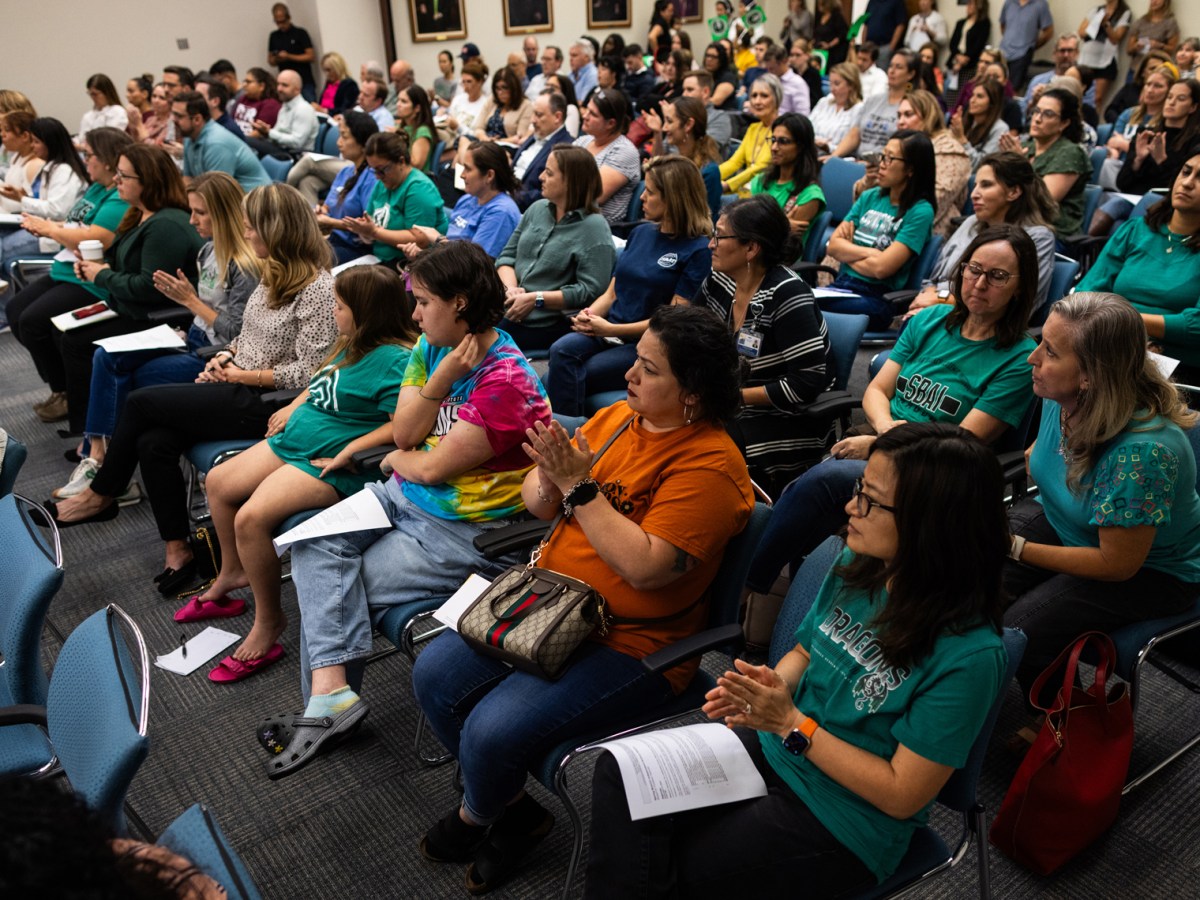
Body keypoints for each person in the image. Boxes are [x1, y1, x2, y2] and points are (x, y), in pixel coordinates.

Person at [413, 303, 755, 893]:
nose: (629, 376)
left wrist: (578, 484)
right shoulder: (621, 418)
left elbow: (645, 568)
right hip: (550, 601)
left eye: (648, 369)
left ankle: (482, 815)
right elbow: (540, 505)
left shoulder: (711, 468)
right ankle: (518, 809)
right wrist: (549, 474)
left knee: (492, 732)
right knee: (435, 674)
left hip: (630, 640)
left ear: (693, 393)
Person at [585, 421, 1008, 897]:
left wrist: (791, 724)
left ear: (929, 523)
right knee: (623, 777)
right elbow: (807, 650)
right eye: (857, 489)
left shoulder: (969, 653)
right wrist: (769, 687)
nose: (851, 507)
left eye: (868, 499)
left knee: (678, 859)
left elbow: (900, 793)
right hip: (780, 748)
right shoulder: (858, 565)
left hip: (846, 817)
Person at [263, 240, 552, 778]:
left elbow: (429, 465)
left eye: (422, 302)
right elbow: (405, 433)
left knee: (332, 587)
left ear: (460, 302)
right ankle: (330, 699)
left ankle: (325, 706)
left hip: (461, 529)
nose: (413, 314)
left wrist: (401, 457)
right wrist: (437, 386)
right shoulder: (434, 345)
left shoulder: (506, 382)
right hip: (401, 498)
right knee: (310, 545)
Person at [42, 183, 337, 592]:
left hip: (270, 403)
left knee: (140, 402)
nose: (247, 234)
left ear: (278, 229)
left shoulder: (319, 289)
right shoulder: (273, 272)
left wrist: (239, 375)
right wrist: (225, 358)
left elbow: (311, 373)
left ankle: (102, 493)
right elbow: (247, 337)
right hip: (239, 384)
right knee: (153, 442)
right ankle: (177, 549)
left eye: (253, 227)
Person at [746, 224, 1038, 595]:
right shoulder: (931, 322)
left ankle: (746, 586)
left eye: (997, 276)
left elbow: (964, 438)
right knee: (814, 494)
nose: (980, 284)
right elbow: (877, 390)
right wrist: (883, 431)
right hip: (881, 438)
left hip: (936, 467)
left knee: (824, 483)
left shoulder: (1017, 359)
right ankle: (785, 598)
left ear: (1020, 286)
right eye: (974, 269)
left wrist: (882, 444)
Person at [189, 266, 417, 681]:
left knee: (251, 519)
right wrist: (295, 406)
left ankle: (269, 623)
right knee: (218, 482)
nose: (333, 312)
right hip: (296, 440)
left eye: (340, 306)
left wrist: (354, 447)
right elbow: (319, 383)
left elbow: (401, 426)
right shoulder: (350, 342)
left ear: (367, 313)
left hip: (328, 460)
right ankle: (232, 572)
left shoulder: (395, 360)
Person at [1006, 293, 1200, 700]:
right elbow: (1046, 461)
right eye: (1041, 341)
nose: (1032, 358)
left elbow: (1117, 564)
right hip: (1072, 524)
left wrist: (1016, 548)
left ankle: (1065, 730)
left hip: (1151, 571)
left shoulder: (1144, 453)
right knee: (963, 580)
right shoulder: (1061, 396)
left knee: (1021, 632)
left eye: (1051, 352)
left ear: (1091, 375)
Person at [52, 171, 260, 498]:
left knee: (131, 382)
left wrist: (189, 300)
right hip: (192, 339)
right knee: (105, 355)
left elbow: (239, 332)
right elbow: (203, 314)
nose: (192, 220)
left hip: (217, 358)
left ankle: (106, 469)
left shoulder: (243, 265)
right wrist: (187, 313)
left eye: (200, 213)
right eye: (192, 211)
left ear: (224, 213)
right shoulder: (208, 252)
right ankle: (96, 455)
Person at [8, 145, 203, 436]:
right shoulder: (140, 214)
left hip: (156, 315)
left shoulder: (165, 225)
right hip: (130, 304)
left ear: (147, 181)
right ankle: (87, 429)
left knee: (75, 341)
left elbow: (148, 286)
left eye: (124, 176)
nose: (116, 182)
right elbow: (126, 265)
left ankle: (93, 435)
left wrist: (101, 275)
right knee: (62, 332)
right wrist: (94, 267)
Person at [546, 156, 713, 415]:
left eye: (651, 192)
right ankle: (562, 434)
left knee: (576, 373)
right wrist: (589, 315)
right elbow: (612, 293)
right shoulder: (641, 233)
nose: (642, 197)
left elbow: (672, 321)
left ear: (674, 198)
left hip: (646, 344)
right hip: (608, 330)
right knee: (560, 350)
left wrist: (610, 328)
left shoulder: (698, 250)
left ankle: (572, 439)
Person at [696, 195, 835, 494]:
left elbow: (806, 383)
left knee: (699, 443)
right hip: (730, 400)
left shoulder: (787, 296)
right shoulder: (721, 280)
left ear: (751, 247)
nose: (711, 244)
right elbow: (689, 335)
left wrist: (732, 396)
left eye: (720, 236)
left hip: (786, 417)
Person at [3, 127, 128, 413]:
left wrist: (49, 228)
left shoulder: (119, 197)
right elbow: (73, 225)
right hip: (66, 267)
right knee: (16, 311)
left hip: (88, 279)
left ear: (108, 160)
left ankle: (67, 392)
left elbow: (95, 237)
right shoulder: (98, 188)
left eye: (90, 155)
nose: (86, 161)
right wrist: (50, 228)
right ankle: (59, 385)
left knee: (33, 321)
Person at [1077, 149, 1200, 382]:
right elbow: (1088, 290)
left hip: (1176, 369)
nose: (1188, 183)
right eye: (1185, 172)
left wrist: (1122, 320)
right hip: (1110, 346)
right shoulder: (1135, 230)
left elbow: (1196, 327)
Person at [907, 150, 1058, 318]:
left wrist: (940, 301)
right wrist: (924, 301)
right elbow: (934, 279)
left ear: (1013, 192)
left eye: (986, 185)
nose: (974, 194)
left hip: (981, 326)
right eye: (975, 185)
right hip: (932, 310)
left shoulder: (1038, 238)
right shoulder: (971, 223)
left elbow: (1018, 305)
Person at [496, 144, 615, 351]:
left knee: (474, 337)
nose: (541, 177)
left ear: (571, 182)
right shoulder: (537, 209)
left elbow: (591, 290)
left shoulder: (593, 227)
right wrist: (511, 290)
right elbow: (506, 257)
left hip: (547, 323)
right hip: (507, 306)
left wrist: (537, 299)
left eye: (549, 173)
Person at [821, 130, 937, 330]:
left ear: (911, 169)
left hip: (877, 298)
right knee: (796, 299)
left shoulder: (920, 211)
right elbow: (833, 247)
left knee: (804, 305)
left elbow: (882, 269)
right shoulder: (871, 196)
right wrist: (872, 254)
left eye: (890, 159)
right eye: (882, 156)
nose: (881, 164)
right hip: (842, 287)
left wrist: (849, 253)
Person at [339, 132, 448, 268]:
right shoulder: (383, 184)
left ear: (401, 161)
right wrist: (365, 232)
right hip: (376, 257)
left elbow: (420, 240)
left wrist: (374, 232)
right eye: (373, 170)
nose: (378, 176)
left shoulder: (419, 189)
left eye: (382, 170)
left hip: (408, 265)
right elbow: (372, 222)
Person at [0, 117, 89, 279]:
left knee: (3, 249)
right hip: (43, 228)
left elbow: (57, 210)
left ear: (51, 143)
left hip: (54, 236)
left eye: (36, 142)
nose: (32, 147)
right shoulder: (51, 167)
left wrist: (22, 200)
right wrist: (21, 197)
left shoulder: (64, 171)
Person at [401, 141, 522, 259]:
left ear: (489, 175)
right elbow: (451, 249)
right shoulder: (467, 199)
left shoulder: (501, 213)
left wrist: (438, 239)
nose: (461, 175)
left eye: (468, 169)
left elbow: (476, 264)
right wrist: (422, 255)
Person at [1007, 87, 1092, 235]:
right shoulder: (1026, 146)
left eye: (1048, 114)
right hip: (1014, 223)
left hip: (1050, 231)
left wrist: (1018, 164)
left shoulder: (1070, 153)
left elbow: (1042, 202)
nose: (1037, 119)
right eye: (1036, 111)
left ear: (1064, 123)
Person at [896, 89, 972, 236]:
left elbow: (936, 200)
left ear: (928, 116)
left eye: (908, 115)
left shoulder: (951, 151)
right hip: (890, 221)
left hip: (928, 231)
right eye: (898, 115)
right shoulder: (899, 147)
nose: (900, 122)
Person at [174, 91, 272, 191]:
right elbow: (188, 178)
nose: (173, 119)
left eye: (179, 116)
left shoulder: (216, 143)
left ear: (197, 119)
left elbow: (216, 193)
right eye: (173, 114)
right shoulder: (189, 136)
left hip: (256, 201)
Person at [644, 97, 723, 218]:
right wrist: (657, 133)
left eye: (669, 121)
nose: (665, 128)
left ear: (688, 125)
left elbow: (701, 220)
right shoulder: (675, 160)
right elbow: (658, 175)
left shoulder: (708, 172)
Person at [750, 113, 826, 238]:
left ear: (801, 146)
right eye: (773, 140)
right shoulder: (760, 181)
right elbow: (746, 225)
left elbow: (781, 241)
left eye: (783, 142)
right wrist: (782, 225)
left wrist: (767, 226)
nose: (774, 147)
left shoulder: (810, 195)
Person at [835, 48, 918, 158]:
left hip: (886, 165)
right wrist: (833, 156)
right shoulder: (873, 100)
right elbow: (855, 134)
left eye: (899, 67)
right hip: (858, 160)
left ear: (911, 74)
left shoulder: (911, 105)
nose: (892, 71)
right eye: (891, 66)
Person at [573, 88, 641, 223]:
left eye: (593, 114)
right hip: (571, 218)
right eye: (587, 109)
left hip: (596, 229)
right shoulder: (583, 141)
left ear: (611, 123)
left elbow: (592, 196)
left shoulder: (624, 151)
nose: (585, 116)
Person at [719, 75, 781, 197]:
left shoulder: (781, 131)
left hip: (765, 194)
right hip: (742, 191)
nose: (757, 101)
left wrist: (728, 185)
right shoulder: (753, 128)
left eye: (764, 96)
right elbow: (734, 162)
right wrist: (710, 177)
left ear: (777, 99)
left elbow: (761, 167)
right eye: (754, 96)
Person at [245, 70, 318, 160]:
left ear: (297, 89)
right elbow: (278, 132)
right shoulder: (285, 105)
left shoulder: (303, 109)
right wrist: (265, 132)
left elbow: (297, 142)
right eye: (278, 84)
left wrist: (270, 133)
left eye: (285, 85)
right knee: (247, 142)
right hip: (281, 149)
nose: (279, 89)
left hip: (295, 156)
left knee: (247, 140)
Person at [1078, 0, 1133, 118]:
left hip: (1105, 60)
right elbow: (1081, 32)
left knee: (1097, 98)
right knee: (1080, 93)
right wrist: (1095, 22)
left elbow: (1116, 38)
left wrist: (1106, 24)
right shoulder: (1096, 10)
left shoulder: (1124, 12)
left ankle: (1093, 122)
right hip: (1087, 59)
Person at [951, 77, 1010, 168]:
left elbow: (981, 165)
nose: (972, 100)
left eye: (979, 96)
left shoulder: (1000, 128)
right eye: (972, 95)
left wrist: (962, 139)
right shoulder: (967, 121)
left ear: (992, 102)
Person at [809, 62, 864, 155]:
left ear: (851, 85)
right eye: (830, 84)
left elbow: (853, 144)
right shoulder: (824, 102)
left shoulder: (859, 109)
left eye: (837, 84)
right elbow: (807, 127)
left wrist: (827, 147)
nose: (832, 88)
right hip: (811, 151)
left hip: (838, 157)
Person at [998, 0, 1055, 89]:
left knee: (1013, 89)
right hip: (1003, 53)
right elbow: (1003, 25)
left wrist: (1031, 46)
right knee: (996, 86)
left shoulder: (1040, 4)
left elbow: (1048, 32)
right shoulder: (1008, 2)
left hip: (1022, 55)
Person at [268, 2, 317, 101]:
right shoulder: (274, 36)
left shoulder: (300, 33)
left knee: (310, 107)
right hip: (286, 84)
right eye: (278, 22)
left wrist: (289, 56)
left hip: (304, 81)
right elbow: (270, 60)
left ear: (289, 17)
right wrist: (277, 58)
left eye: (283, 21)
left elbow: (311, 56)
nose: (281, 25)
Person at [472, 65, 533, 144]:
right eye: (497, 88)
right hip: (485, 141)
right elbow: (478, 127)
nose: (500, 92)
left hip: (506, 145)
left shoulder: (526, 105)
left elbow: (520, 137)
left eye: (505, 87)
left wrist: (496, 141)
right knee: (463, 139)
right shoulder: (492, 100)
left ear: (513, 87)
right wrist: (485, 138)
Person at [947, 0, 992, 100]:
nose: (968, 6)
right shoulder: (961, 23)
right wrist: (958, 57)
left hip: (970, 66)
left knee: (964, 95)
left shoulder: (984, 24)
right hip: (954, 62)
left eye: (971, 4)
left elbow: (978, 45)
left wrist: (965, 59)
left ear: (979, 6)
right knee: (949, 94)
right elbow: (952, 43)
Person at [1126, 0, 1181, 77]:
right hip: (1136, 68)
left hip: (1156, 70)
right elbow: (1129, 49)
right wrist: (1136, 46)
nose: (1154, 1)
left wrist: (1159, 45)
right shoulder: (1141, 21)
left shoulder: (1170, 23)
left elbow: (1173, 49)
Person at [395, 84, 437, 173]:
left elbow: (416, 165)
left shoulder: (422, 131)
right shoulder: (399, 127)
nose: (398, 104)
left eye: (403, 101)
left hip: (415, 181)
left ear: (417, 108)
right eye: (398, 100)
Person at [232, 68, 280, 137]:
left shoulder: (271, 105)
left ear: (261, 86)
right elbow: (231, 120)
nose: (244, 85)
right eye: (244, 81)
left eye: (248, 82)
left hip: (251, 143)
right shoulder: (243, 99)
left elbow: (259, 133)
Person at [79, 74, 129, 141]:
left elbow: (111, 139)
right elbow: (82, 139)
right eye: (90, 94)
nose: (92, 98)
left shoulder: (118, 111)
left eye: (95, 94)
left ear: (107, 93)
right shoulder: (88, 116)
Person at [447, 62, 489, 139]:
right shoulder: (458, 99)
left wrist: (458, 127)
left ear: (480, 82)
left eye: (469, 82)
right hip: (450, 137)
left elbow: (478, 134)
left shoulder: (486, 105)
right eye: (463, 82)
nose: (465, 86)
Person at [314, 51, 359, 116]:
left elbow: (346, 109)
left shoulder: (349, 84)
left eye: (329, 70)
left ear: (337, 68)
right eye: (325, 70)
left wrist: (325, 111)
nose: (326, 74)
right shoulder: (329, 83)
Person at [703, 42, 740, 110]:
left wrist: (694, 105)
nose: (709, 59)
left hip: (723, 115)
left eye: (714, 57)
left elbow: (716, 101)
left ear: (721, 60)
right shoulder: (704, 75)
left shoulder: (728, 77)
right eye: (707, 55)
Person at [813, 0, 850, 68]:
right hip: (820, 52)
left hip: (833, 53)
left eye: (822, 4)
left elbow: (842, 35)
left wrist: (829, 45)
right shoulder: (819, 16)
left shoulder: (837, 17)